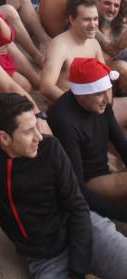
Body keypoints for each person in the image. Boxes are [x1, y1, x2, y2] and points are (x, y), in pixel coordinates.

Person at [0, 92, 127, 279]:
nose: (39, 137)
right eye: (28, 132)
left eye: (36, 127)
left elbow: (78, 207)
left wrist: (76, 276)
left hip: (88, 234)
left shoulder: (51, 149)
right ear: (4, 138)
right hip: (46, 259)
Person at [48, 57, 127, 222]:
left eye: (108, 90)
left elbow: (121, 144)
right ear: (81, 95)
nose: (107, 98)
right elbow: (75, 185)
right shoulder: (65, 121)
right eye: (99, 93)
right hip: (87, 181)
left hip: (101, 170)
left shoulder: (101, 103)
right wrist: (121, 216)